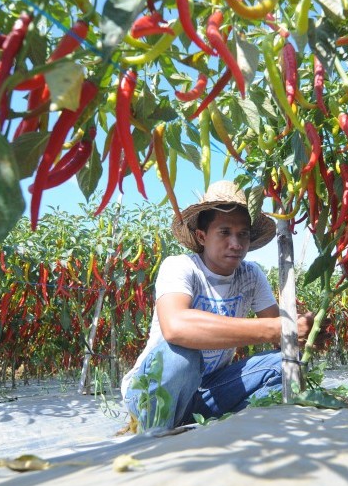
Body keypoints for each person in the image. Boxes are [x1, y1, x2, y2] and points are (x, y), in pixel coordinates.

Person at [120, 181, 315, 432]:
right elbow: (175, 327)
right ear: (202, 236)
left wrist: (303, 328)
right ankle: (154, 431)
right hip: (155, 390)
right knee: (181, 357)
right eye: (224, 232)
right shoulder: (181, 266)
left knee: (287, 363)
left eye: (243, 234)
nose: (236, 243)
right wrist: (278, 328)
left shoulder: (251, 275)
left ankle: (211, 427)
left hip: (207, 391)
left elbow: (282, 338)